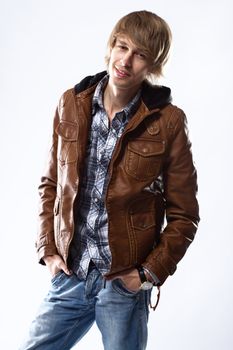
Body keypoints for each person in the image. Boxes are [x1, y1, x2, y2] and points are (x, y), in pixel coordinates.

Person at [19, 9, 199, 350]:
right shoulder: (71, 103)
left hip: (123, 284)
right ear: (111, 46)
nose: (126, 61)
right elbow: (50, 185)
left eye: (140, 54)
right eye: (122, 47)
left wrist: (146, 275)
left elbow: (185, 216)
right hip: (71, 274)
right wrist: (49, 251)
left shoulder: (168, 122)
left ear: (153, 65)